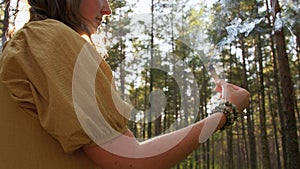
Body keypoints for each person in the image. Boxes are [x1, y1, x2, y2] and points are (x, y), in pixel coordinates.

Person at [0, 0, 250, 169]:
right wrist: (224, 113)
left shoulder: (30, 42)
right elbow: (130, 160)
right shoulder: (52, 38)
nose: (107, 9)